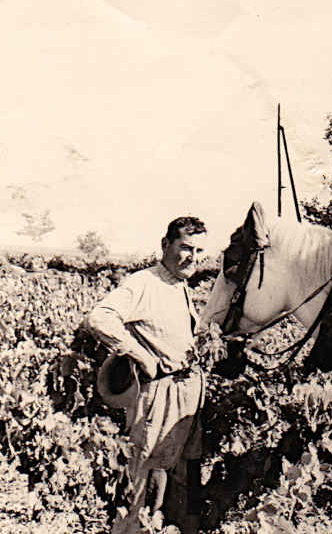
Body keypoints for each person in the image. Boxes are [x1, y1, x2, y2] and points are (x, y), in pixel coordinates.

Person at [86, 216, 207, 534]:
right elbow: (99, 318)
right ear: (165, 245)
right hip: (158, 396)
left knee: (183, 476)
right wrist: (139, 354)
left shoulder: (180, 285)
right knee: (144, 478)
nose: (192, 257)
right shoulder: (143, 283)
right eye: (185, 248)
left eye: (198, 251)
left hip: (188, 392)